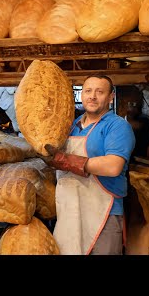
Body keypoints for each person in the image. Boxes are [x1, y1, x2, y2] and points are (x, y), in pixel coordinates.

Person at [43, 74, 135, 255]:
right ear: (81, 95)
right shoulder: (71, 126)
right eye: (88, 91)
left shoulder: (117, 126)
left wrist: (66, 160)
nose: (92, 96)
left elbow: (113, 166)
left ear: (111, 97)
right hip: (69, 211)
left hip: (103, 213)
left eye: (100, 92)